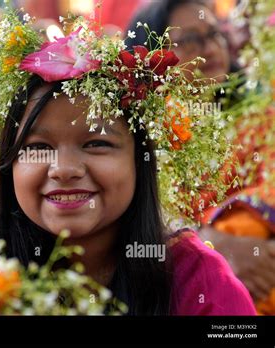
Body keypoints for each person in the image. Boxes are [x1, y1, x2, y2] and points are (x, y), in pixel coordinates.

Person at [0, 9, 256, 315]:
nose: (64, 169)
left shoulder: (200, 282)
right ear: (8, 164)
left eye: (97, 143)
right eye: (39, 147)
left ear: (140, 161)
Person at [127, 0, 275, 314]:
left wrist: (250, 243)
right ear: (152, 58)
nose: (209, 47)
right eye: (191, 39)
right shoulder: (139, 135)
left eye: (214, 34)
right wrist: (207, 242)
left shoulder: (260, 119)